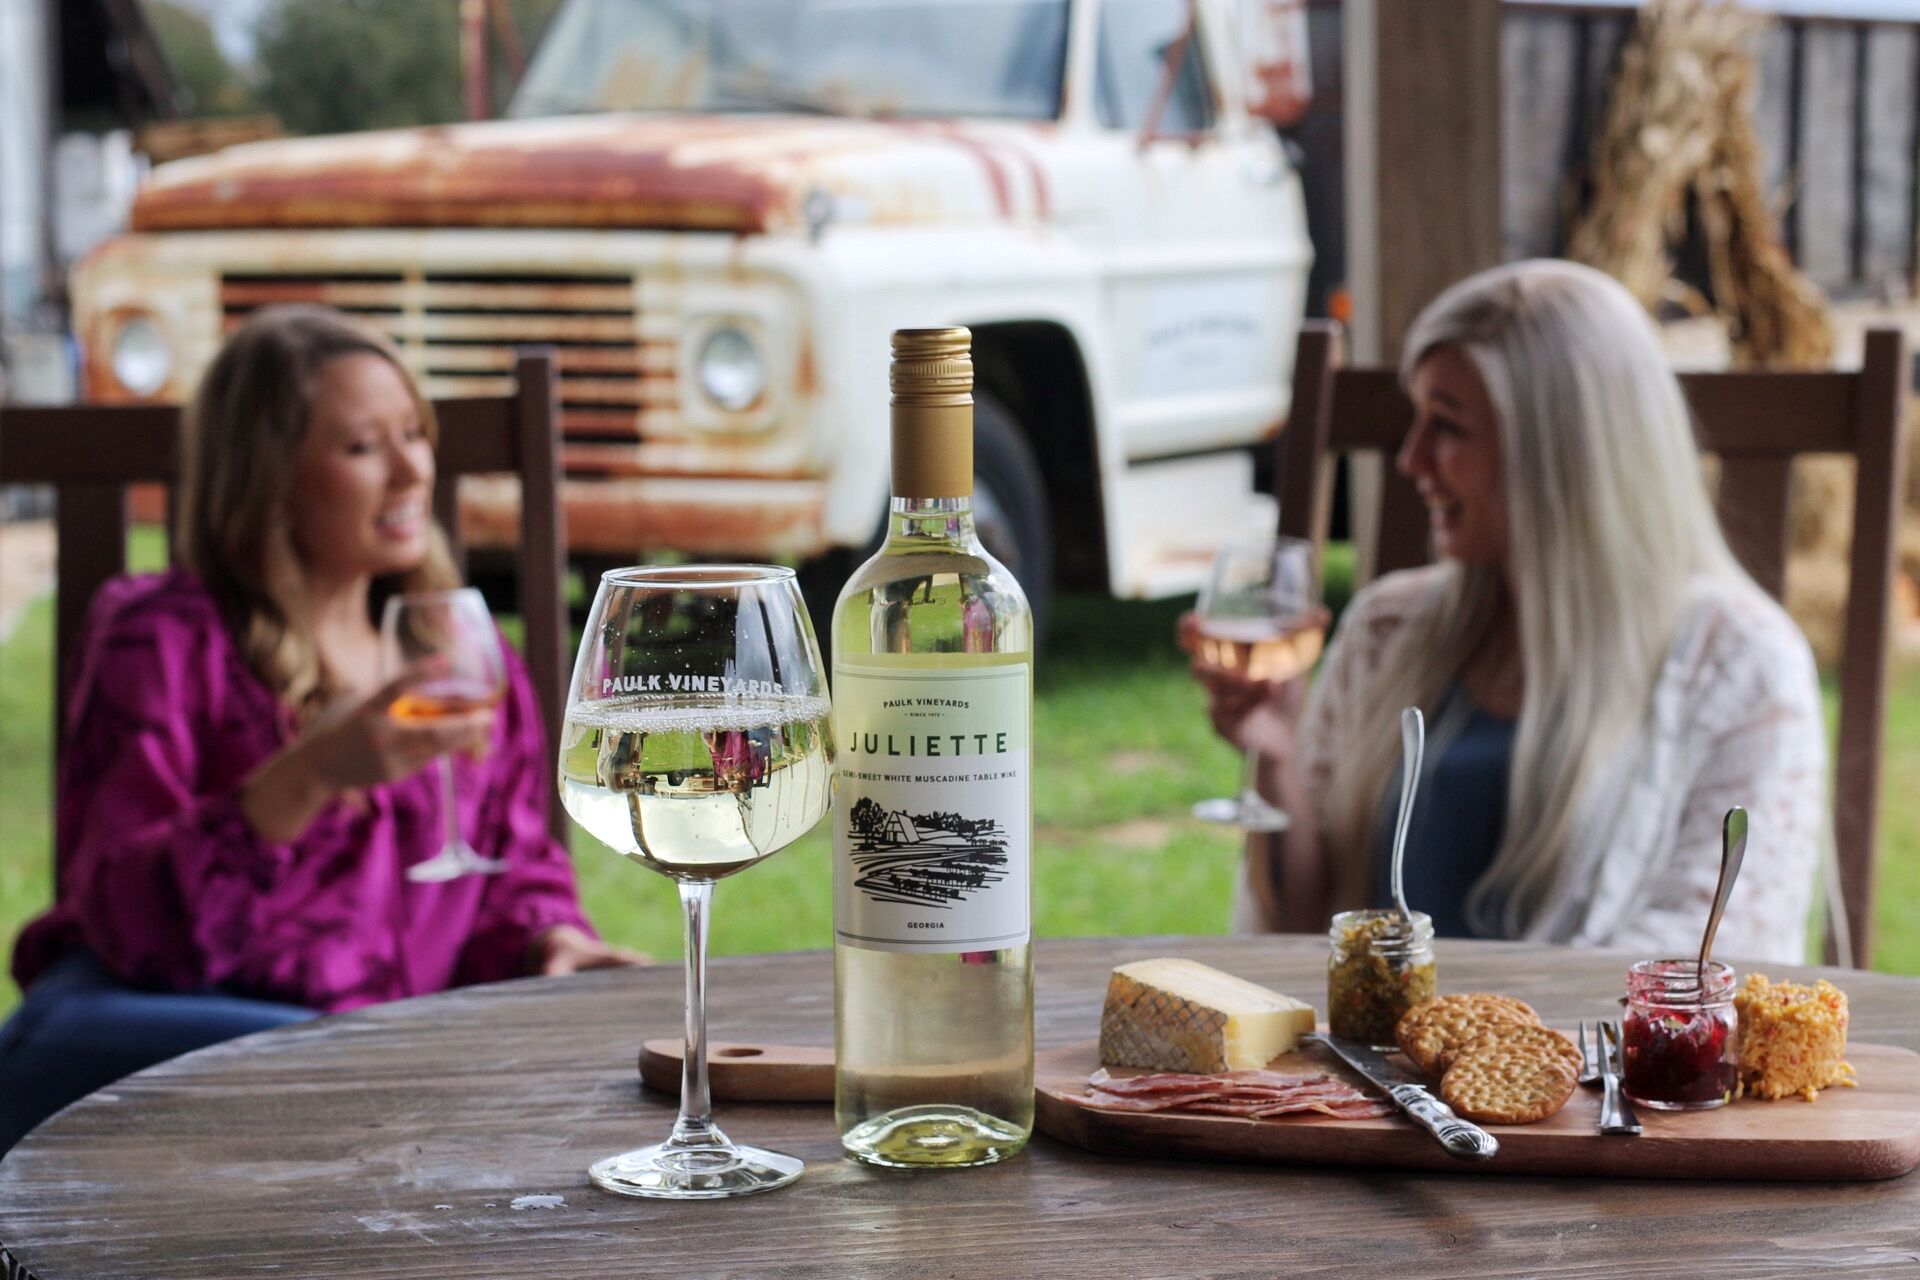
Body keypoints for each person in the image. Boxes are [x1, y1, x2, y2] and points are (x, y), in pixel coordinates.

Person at [0, 306, 641, 1153]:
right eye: (364, 447)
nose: (413, 471)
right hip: (190, 1045)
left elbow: (511, 865)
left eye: (416, 433)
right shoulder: (160, 636)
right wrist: (306, 778)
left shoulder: (451, 655)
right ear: (269, 477)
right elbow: (127, 922)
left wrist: (546, 944)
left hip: (382, 1073)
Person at [1192, 260, 1826, 963]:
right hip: (1370, 1069)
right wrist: (1279, 757)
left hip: (1590, 1072)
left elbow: (1724, 960)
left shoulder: (1740, 662)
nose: (1411, 459)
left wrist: (1491, 1049)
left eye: (1448, 427)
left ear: (1563, 453)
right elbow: (1304, 943)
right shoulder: (1387, 628)